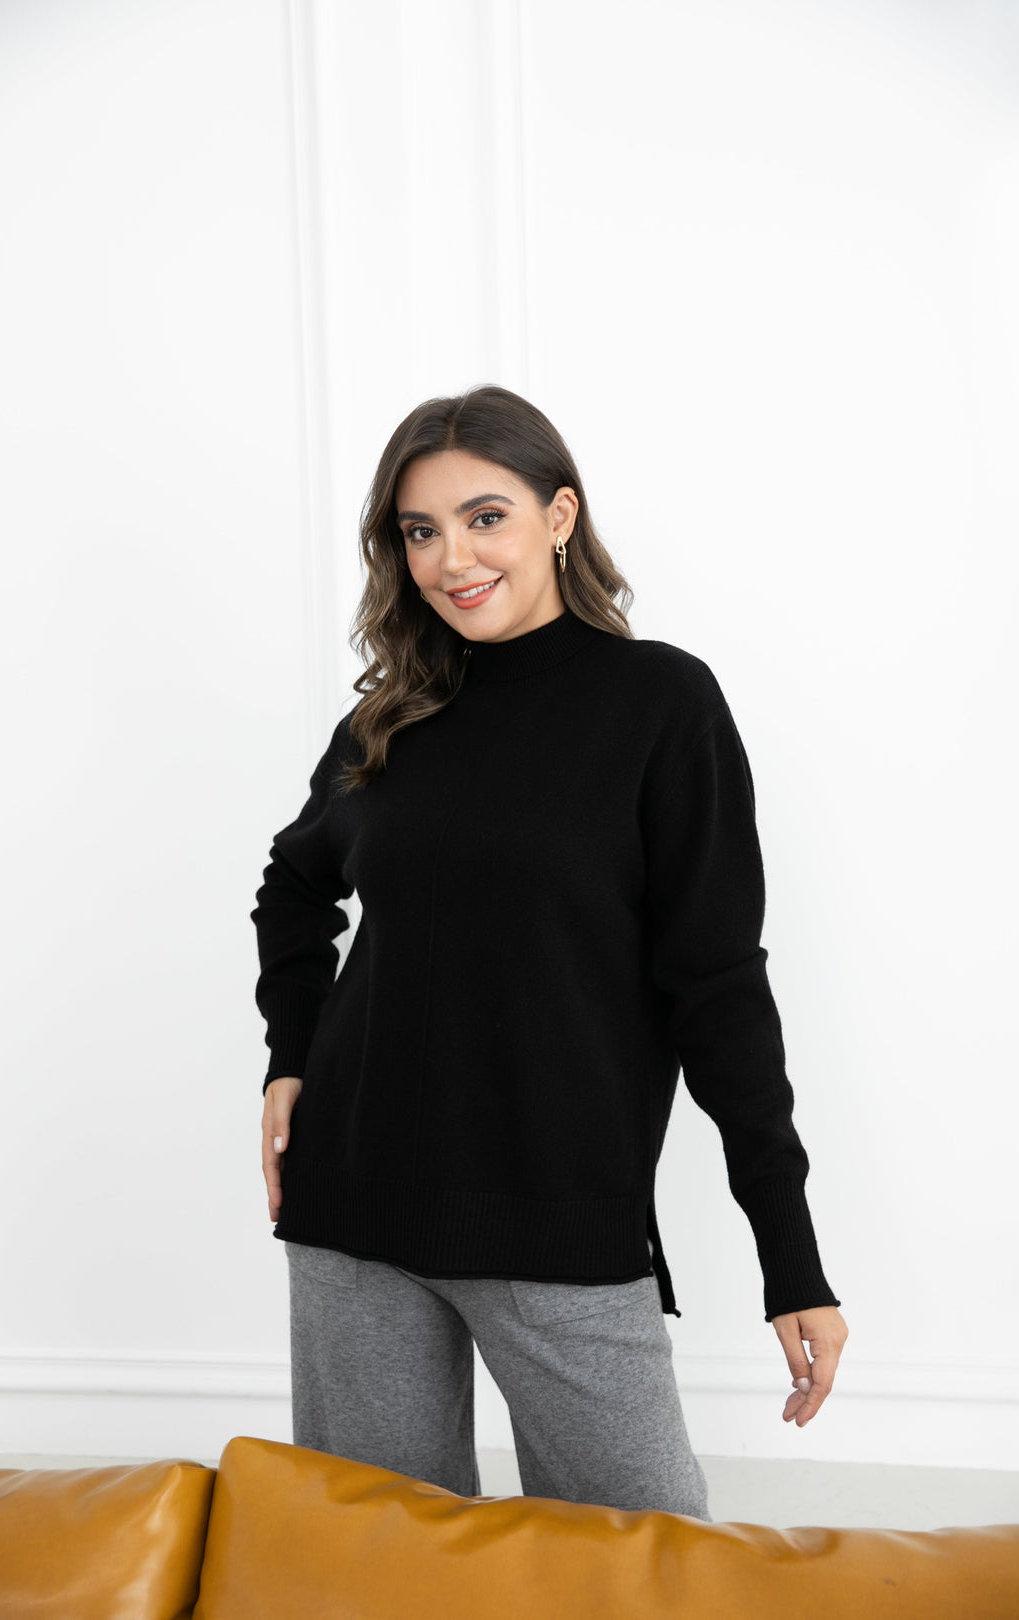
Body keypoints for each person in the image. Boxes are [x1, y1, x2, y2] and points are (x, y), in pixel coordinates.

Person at [250, 384, 848, 1519]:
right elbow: (294, 883)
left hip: (559, 1217)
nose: (452, 559)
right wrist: (293, 1057)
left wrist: (791, 1255)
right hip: (352, 1210)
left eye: (486, 518)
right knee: (372, 1574)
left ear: (559, 515)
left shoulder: (660, 703)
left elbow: (718, 987)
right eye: (419, 531)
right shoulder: (390, 718)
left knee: (645, 1567)